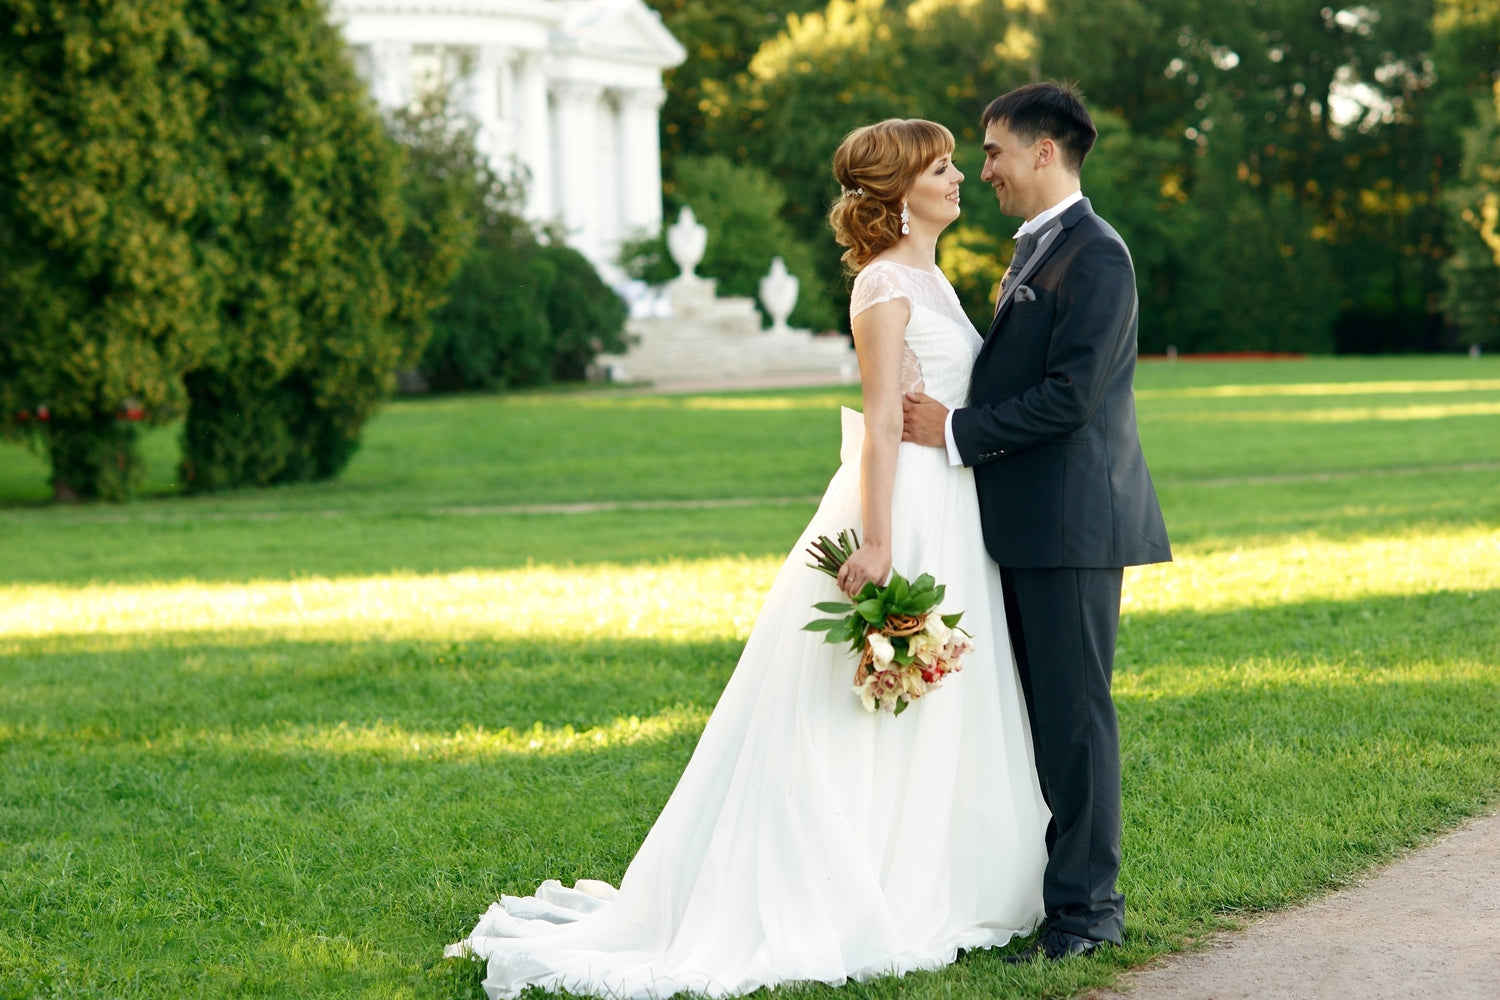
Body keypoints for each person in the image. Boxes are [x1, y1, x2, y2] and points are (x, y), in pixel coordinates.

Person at [446, 118, 1049, 998]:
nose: (961, 178)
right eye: (944, 167)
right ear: (899, 191)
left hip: (952, 507)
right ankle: (861, 883)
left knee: (941, 700)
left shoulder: (929, 276)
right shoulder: (884, 285)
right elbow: (881, 421)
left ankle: (935, 870)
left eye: (960, 164)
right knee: (867, 707)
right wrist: (879, 543)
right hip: (907, 511)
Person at [903, 82, 1173, 960]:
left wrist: (953, 431)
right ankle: (1052, 902)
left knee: (1074, 721)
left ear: (1044, 152)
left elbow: (1069, 398)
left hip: (1073, 528)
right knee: (1039, 723)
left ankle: (1089, 917)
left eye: (993, 152)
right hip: (1029, 526)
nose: (983, 170)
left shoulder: (1095, 254)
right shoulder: (1035, 251)